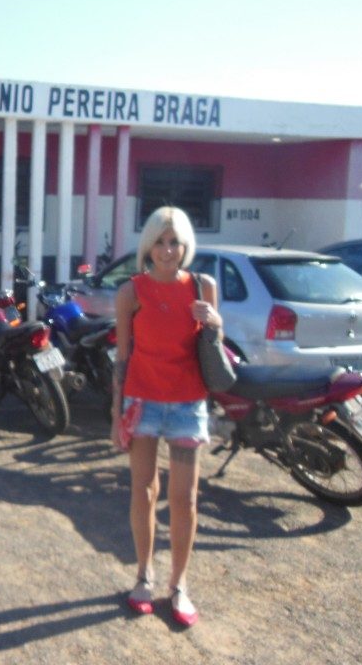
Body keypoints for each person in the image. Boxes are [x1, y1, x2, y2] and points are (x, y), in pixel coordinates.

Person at [110, 205, 222, 628]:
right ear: (148, 245)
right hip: (142, 402)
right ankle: (144, 575)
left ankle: (179, 584)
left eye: (174, 241)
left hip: (188, 404)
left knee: (185, 499)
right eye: (159, 241)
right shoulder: (131, 292)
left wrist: (215, 319)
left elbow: (214, 343)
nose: (168, 250)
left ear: (185, 245)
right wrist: (115, 413)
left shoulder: (201, 286)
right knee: (143, 492)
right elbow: (122, 357)